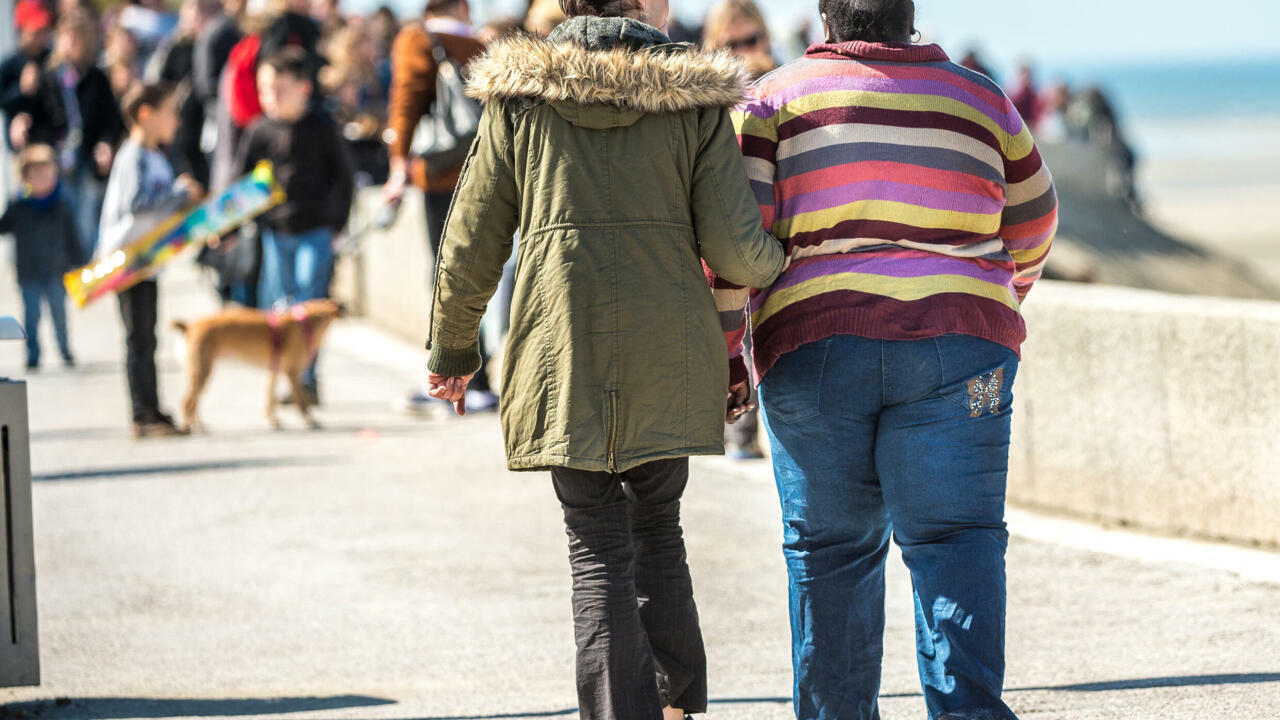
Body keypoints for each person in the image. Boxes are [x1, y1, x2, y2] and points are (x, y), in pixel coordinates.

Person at [424, 1, 786, 717]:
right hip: (670, 351)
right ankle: (675, 705)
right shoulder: (693, 98)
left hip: (561, 347)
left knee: (594, 547)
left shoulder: (521, 96)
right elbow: (736, 248)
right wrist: (786, 260)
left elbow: (471, 238)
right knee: (659, 527)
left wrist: (453, 347)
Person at [718, 0, 1058, 718]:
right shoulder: (983, 100)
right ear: (910, 15)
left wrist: (727, 353)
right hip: (967, 362)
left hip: (812, 351)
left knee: (830, 550)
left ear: (824, 17)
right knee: (959, 539)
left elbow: (737, 244)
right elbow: (1034, 221)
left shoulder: (771, 101)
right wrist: (992, 302)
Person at [381, 0, 496, 413]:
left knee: (447, 276)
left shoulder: (418, 39)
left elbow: (406, 101)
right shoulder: (484, 42)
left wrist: (398, 164)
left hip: (442, 174)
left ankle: (456, 379)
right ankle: (478, 378)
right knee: (480, 274)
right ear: (463, 6)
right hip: (488, 171)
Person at [236, 47, 354, 405]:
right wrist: (233, 227)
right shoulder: (259, 130)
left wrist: (337, 224)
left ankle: (307, 378)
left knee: (309, 303)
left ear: (303, 88)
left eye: (279, 89)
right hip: (276, 231)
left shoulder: (322, 126)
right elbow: (242, 185)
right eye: (264, 89)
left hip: (316, 229)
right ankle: (283, 376)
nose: (270, 97)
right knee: (279, 306)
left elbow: (343, 178)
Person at [99, 82, 204, 438]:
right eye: (170, 113)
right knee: (138, 339)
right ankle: (142, 414)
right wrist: (178, 193)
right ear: (146, 114)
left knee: (148, 338)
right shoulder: (133, 155)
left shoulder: (156, 156)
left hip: (148, 261)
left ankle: (153, 408)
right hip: (127, 261)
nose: (176, 121)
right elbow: (137, 202)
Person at [701, 0, 775, 460]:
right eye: (732, 44)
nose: (744, 53)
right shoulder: (704, 102)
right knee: (734, 326)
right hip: (726, 230)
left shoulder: (781, 89)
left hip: (770, 234)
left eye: (751, 40)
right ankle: (740, 429)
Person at [45, 10, 127, 258]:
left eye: (76, 38)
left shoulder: (97, 78)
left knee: (86, 217)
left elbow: (112, 120)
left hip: (86, 158)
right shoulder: (49, 77)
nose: (71, 44)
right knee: (58, 217)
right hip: (55, 160)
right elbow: (39, 117)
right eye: (66, 37)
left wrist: (106, 143)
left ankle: (85, 265)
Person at [0, 144, 83, 370]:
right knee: (31, 316)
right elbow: (3, 226)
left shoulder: (62, 205)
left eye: (47, 175)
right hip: (29, 272)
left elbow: (72, 237)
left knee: (59, 314)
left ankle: (65, 350)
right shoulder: (19, 206)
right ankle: (33, 354)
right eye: (36, 176)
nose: (43, 181)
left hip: (56, 270)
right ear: (25, 178)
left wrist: (80, 262)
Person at [2, 0, 56, 152]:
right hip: (20, 145)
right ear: (21, 31)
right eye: (35, 32)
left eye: (43, 31)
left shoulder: (51, 59)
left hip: (50, 141)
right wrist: (21, 89)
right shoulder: (10, 64)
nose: (40, 37)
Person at [702, 0, 775, 80]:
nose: (742, 54)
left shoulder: (785, 77)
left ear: (765, 39)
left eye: (751, 41)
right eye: (731, 45)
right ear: (714, 48)